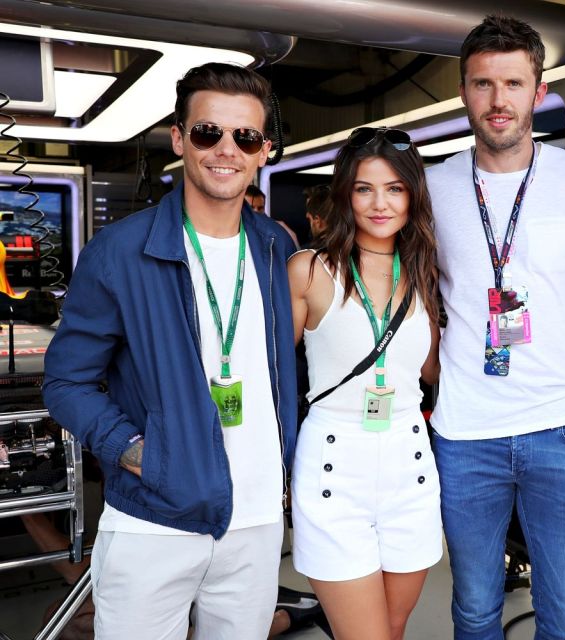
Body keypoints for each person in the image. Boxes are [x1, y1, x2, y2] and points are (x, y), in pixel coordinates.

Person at [42, 62, 299, 639]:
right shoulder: (120, 251)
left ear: (264, 151)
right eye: (208, 132)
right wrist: (137, 452)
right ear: (180, 139)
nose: (226, 149)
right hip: (152, 522)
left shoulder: (276, 248)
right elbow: (64, 382)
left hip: (256, 522)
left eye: (245, 137)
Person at [426, 14, 565, 639]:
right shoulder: (432, 188)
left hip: (562, 430)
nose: (498, 99)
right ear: (464, 92)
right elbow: (419, 302)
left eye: (513, 83)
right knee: (475, 608)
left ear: (539, 92)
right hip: (464, 435)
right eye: (483, 84)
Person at [287, 126, 442, 640]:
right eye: (364, 188)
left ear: (412, 195)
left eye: (395, 188)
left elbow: (430, 371)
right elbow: (272, 375)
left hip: (409, 461)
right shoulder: (310, 270)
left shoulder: (424, 272)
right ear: (345, 194)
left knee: (393, 629)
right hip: (335, 463)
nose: (380, 203)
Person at [246, 183, 300, 248]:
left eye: (260, 208)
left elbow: (294, 252)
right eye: (251, 207)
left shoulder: (279, 228)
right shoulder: (233, 231)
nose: (256, 211)